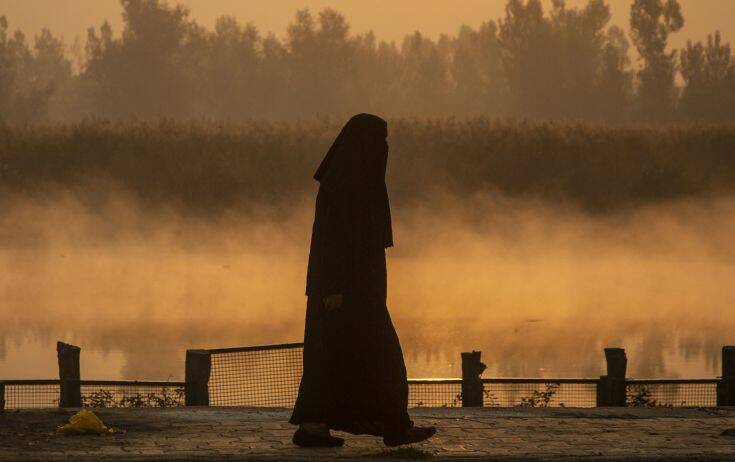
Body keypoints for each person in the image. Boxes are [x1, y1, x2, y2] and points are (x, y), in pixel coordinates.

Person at [289, 113, 436, 447]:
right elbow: (332, 242)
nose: (382, 150)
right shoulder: (342, 186)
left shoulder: (354, 182)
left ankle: (314, 427)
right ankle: (395, 425)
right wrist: (335, 289)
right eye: (377, 142)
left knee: (335, 360)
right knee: (377, 359)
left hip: (354, 292)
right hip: (344, 293)